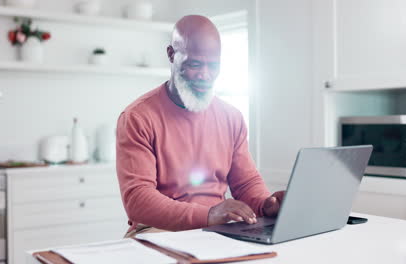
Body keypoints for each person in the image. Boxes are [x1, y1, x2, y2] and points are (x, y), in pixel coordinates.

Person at [117, 15, 284, 237]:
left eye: (213, 66)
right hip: (158, 229)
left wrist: (266, 205)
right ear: (171, 54)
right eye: (195, 64)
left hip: (219, 226)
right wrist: (208, 215)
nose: (205, 75)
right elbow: (138, 199)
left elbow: (246, 184)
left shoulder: (231, 117)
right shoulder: (138, 117)